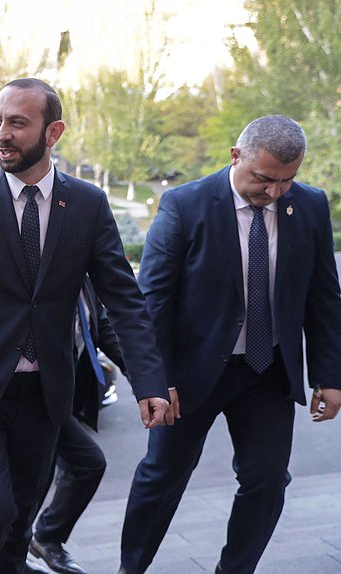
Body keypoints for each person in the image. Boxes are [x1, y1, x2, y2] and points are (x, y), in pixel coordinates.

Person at [0, 78, 170, 574]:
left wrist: (151, 381)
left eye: (17, 122)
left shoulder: (87, 204)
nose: (2, 134)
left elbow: (123, 299)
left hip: (47, 395)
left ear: (52, 131)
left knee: (19, 523)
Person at [119, 115, 341, 574]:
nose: (275, 191)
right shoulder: (185, 204)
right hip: (191, 372)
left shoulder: (312, 206)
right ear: (235, 156)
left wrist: (329, 377)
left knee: (267, 481)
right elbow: (153, 302)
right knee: (163, 478)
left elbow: (324, 299)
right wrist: (157, 381)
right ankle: (131, 568)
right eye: (264, 178)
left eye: (287, 180)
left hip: (268, 371)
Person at [27, 277, 127, 574]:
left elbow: (103, 328)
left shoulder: (85, 277)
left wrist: (145, 378)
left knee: (88, 464)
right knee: (32, 482)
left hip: (58, 399)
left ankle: (45, 537)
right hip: (27, 395)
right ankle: (13, 553)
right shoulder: (46, 266)